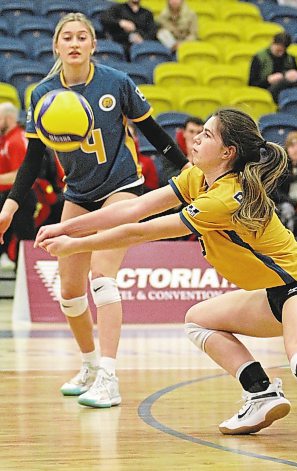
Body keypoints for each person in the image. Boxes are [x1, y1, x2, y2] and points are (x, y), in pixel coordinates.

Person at [34, 108, 297, 459]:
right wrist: (64, 227)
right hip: (276, 290)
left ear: (228, 152)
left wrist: (76, 244)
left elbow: (140, 231)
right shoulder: (198, 178)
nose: (196, 138)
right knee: (198, 319)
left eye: (208, 135)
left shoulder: (224, 198)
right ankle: (260, 394)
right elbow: (132, 210)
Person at [0, 13, 188, 408]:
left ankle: (109, 376)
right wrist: (11, 204)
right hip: (79, 194)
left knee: (102, 276)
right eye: (66, 37)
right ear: (56, 46)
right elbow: (33, 160)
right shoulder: (43, 94)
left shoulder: (115, 82)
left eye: (81, 37)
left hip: (122, 188)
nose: (74, 43)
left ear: (92, 45)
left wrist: (187, 168)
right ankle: (87, 365)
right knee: (69, 292)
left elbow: (153, 132)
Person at [0, 102, 36, 269]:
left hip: (20, 196)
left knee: (24, 240)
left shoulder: (16, 140)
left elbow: (18, 176)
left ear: (8, 118)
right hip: (8, 195)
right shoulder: (6, 139)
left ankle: (27, 277)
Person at [248, 32, 297, 103]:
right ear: (273, 43)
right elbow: (252, 84)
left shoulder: (290, 58)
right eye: (279, 47)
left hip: (288, 88)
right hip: (266, 89)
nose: (281, 52)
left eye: (283, 48)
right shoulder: (259, 58)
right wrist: (268, 80)